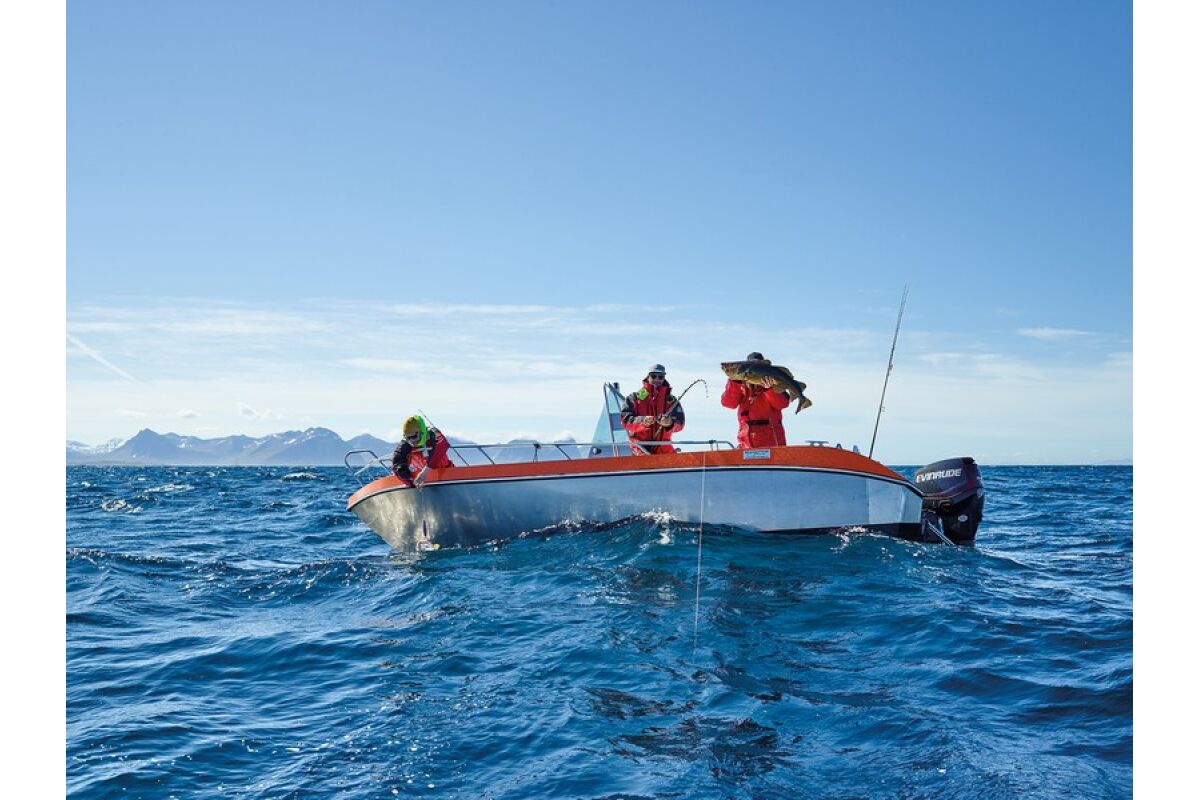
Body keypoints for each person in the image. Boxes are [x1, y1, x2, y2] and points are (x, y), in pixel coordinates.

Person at [720, 352, 790, 448]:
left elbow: (782, 403)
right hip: (746, 446)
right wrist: (735, 382)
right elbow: (728, 403)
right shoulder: (740, 386)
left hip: (773, 446)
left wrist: (769, 389)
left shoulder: (775, 385)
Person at [620, 364, 685, 455]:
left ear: (664, 378)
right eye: (653, 376)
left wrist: (670, 423)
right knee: (644, 459)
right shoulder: (635, 397)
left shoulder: (672, 401)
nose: (657, 379)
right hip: (640, 446)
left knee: (678, 461)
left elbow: (680, 423)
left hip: (664, 447)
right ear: (648, 377)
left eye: (660, 377)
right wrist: (643, 421)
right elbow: (625, 420)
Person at [392, 414, 455, 488]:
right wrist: (411, 482)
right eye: (407, 438)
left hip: (447, 477)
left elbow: (443, 444)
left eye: (413, 436)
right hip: (419, 483)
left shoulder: (433, 434)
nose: (411, 440)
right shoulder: (405, 444)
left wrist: (424, 472)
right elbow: (396, 463)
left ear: (421, 432)